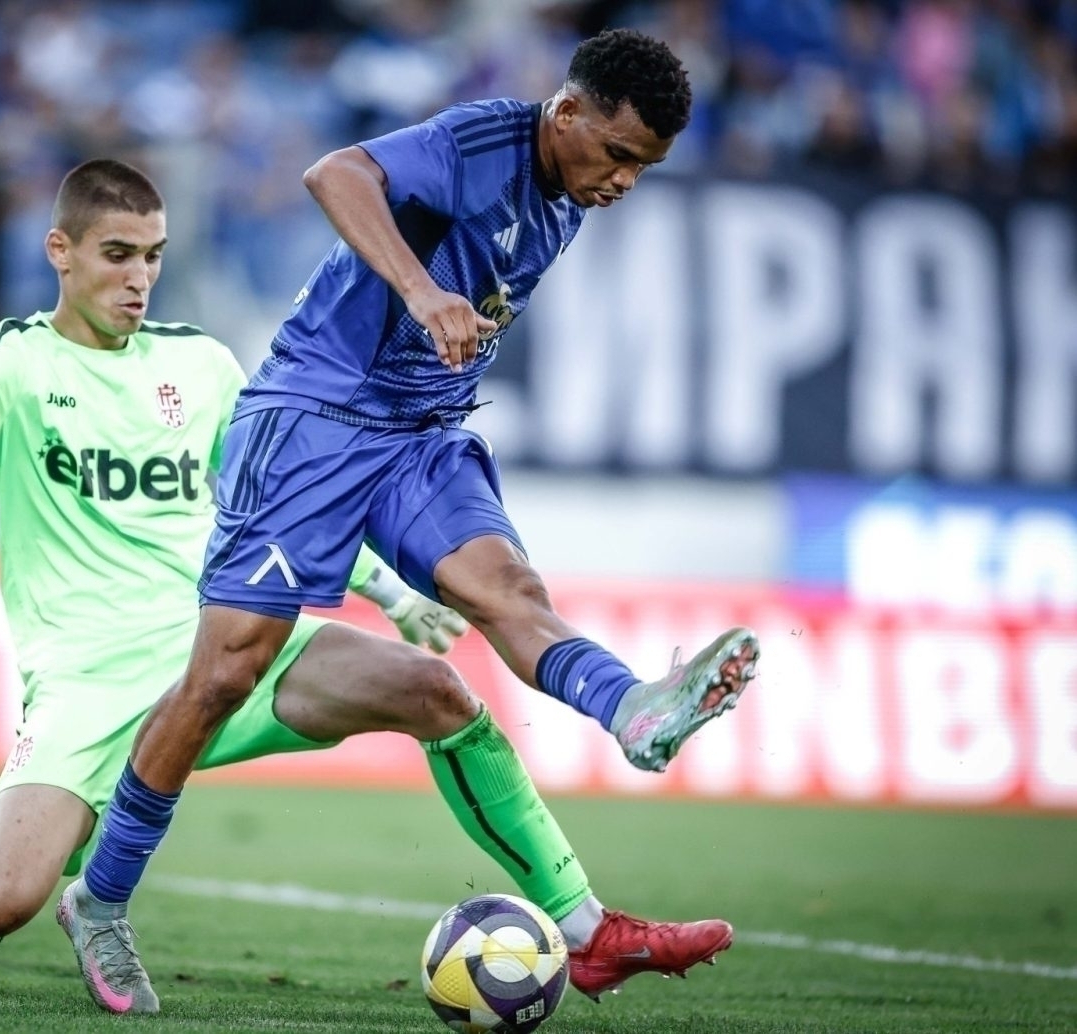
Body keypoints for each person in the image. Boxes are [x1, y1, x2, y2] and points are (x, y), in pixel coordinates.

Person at [0, 159, 732, 1009]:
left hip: (227, 650)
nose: (139, 278)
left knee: (438, 692)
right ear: (60, 252)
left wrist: (387, 589)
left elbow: (282, 503)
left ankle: (587, 928)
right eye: (117, 255)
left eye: (153, 256)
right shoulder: (12, 368)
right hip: (91, 687)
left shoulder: (206, 366)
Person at [69, 27, 762, 1011]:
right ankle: (99, 898)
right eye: (616, 154)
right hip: (314, 417)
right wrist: (424, 290)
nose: (623, 181)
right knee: (224, 673)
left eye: (643, 168)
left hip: (419, 435)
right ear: (567, 113)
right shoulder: (484, 141)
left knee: (511, 592)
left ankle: (634, 712)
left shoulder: (567, 196)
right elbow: (335, 173)